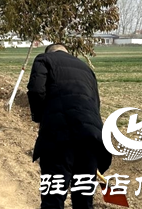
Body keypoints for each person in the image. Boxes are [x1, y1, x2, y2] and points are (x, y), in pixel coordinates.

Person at [26, 43, 112, 209]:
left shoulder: (44, 59)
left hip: (59, 137)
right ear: (67, 52)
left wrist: (39, 117)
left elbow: (36, 90)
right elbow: (96, 104)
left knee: (53, 197)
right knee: (84, 200)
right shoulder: (86, 68)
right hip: (91, 138)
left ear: (49, 52)